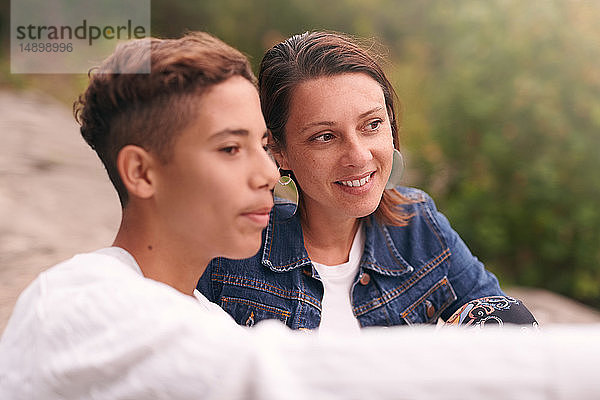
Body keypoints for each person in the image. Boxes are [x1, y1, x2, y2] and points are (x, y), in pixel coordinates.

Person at [2, 32, 596, 400]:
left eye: (261, 145)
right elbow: (268, 376)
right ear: (143, 173)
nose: (264, 174)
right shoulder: (78, 301)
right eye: (233, 148)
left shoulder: (200, 314)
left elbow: (502, 318)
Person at [197, 31, 536, 332]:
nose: (359, 156)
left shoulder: (418, 226)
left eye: (372, 125)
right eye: (325, 136)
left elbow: (508, 326)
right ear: (279, 151)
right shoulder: (228, 251)